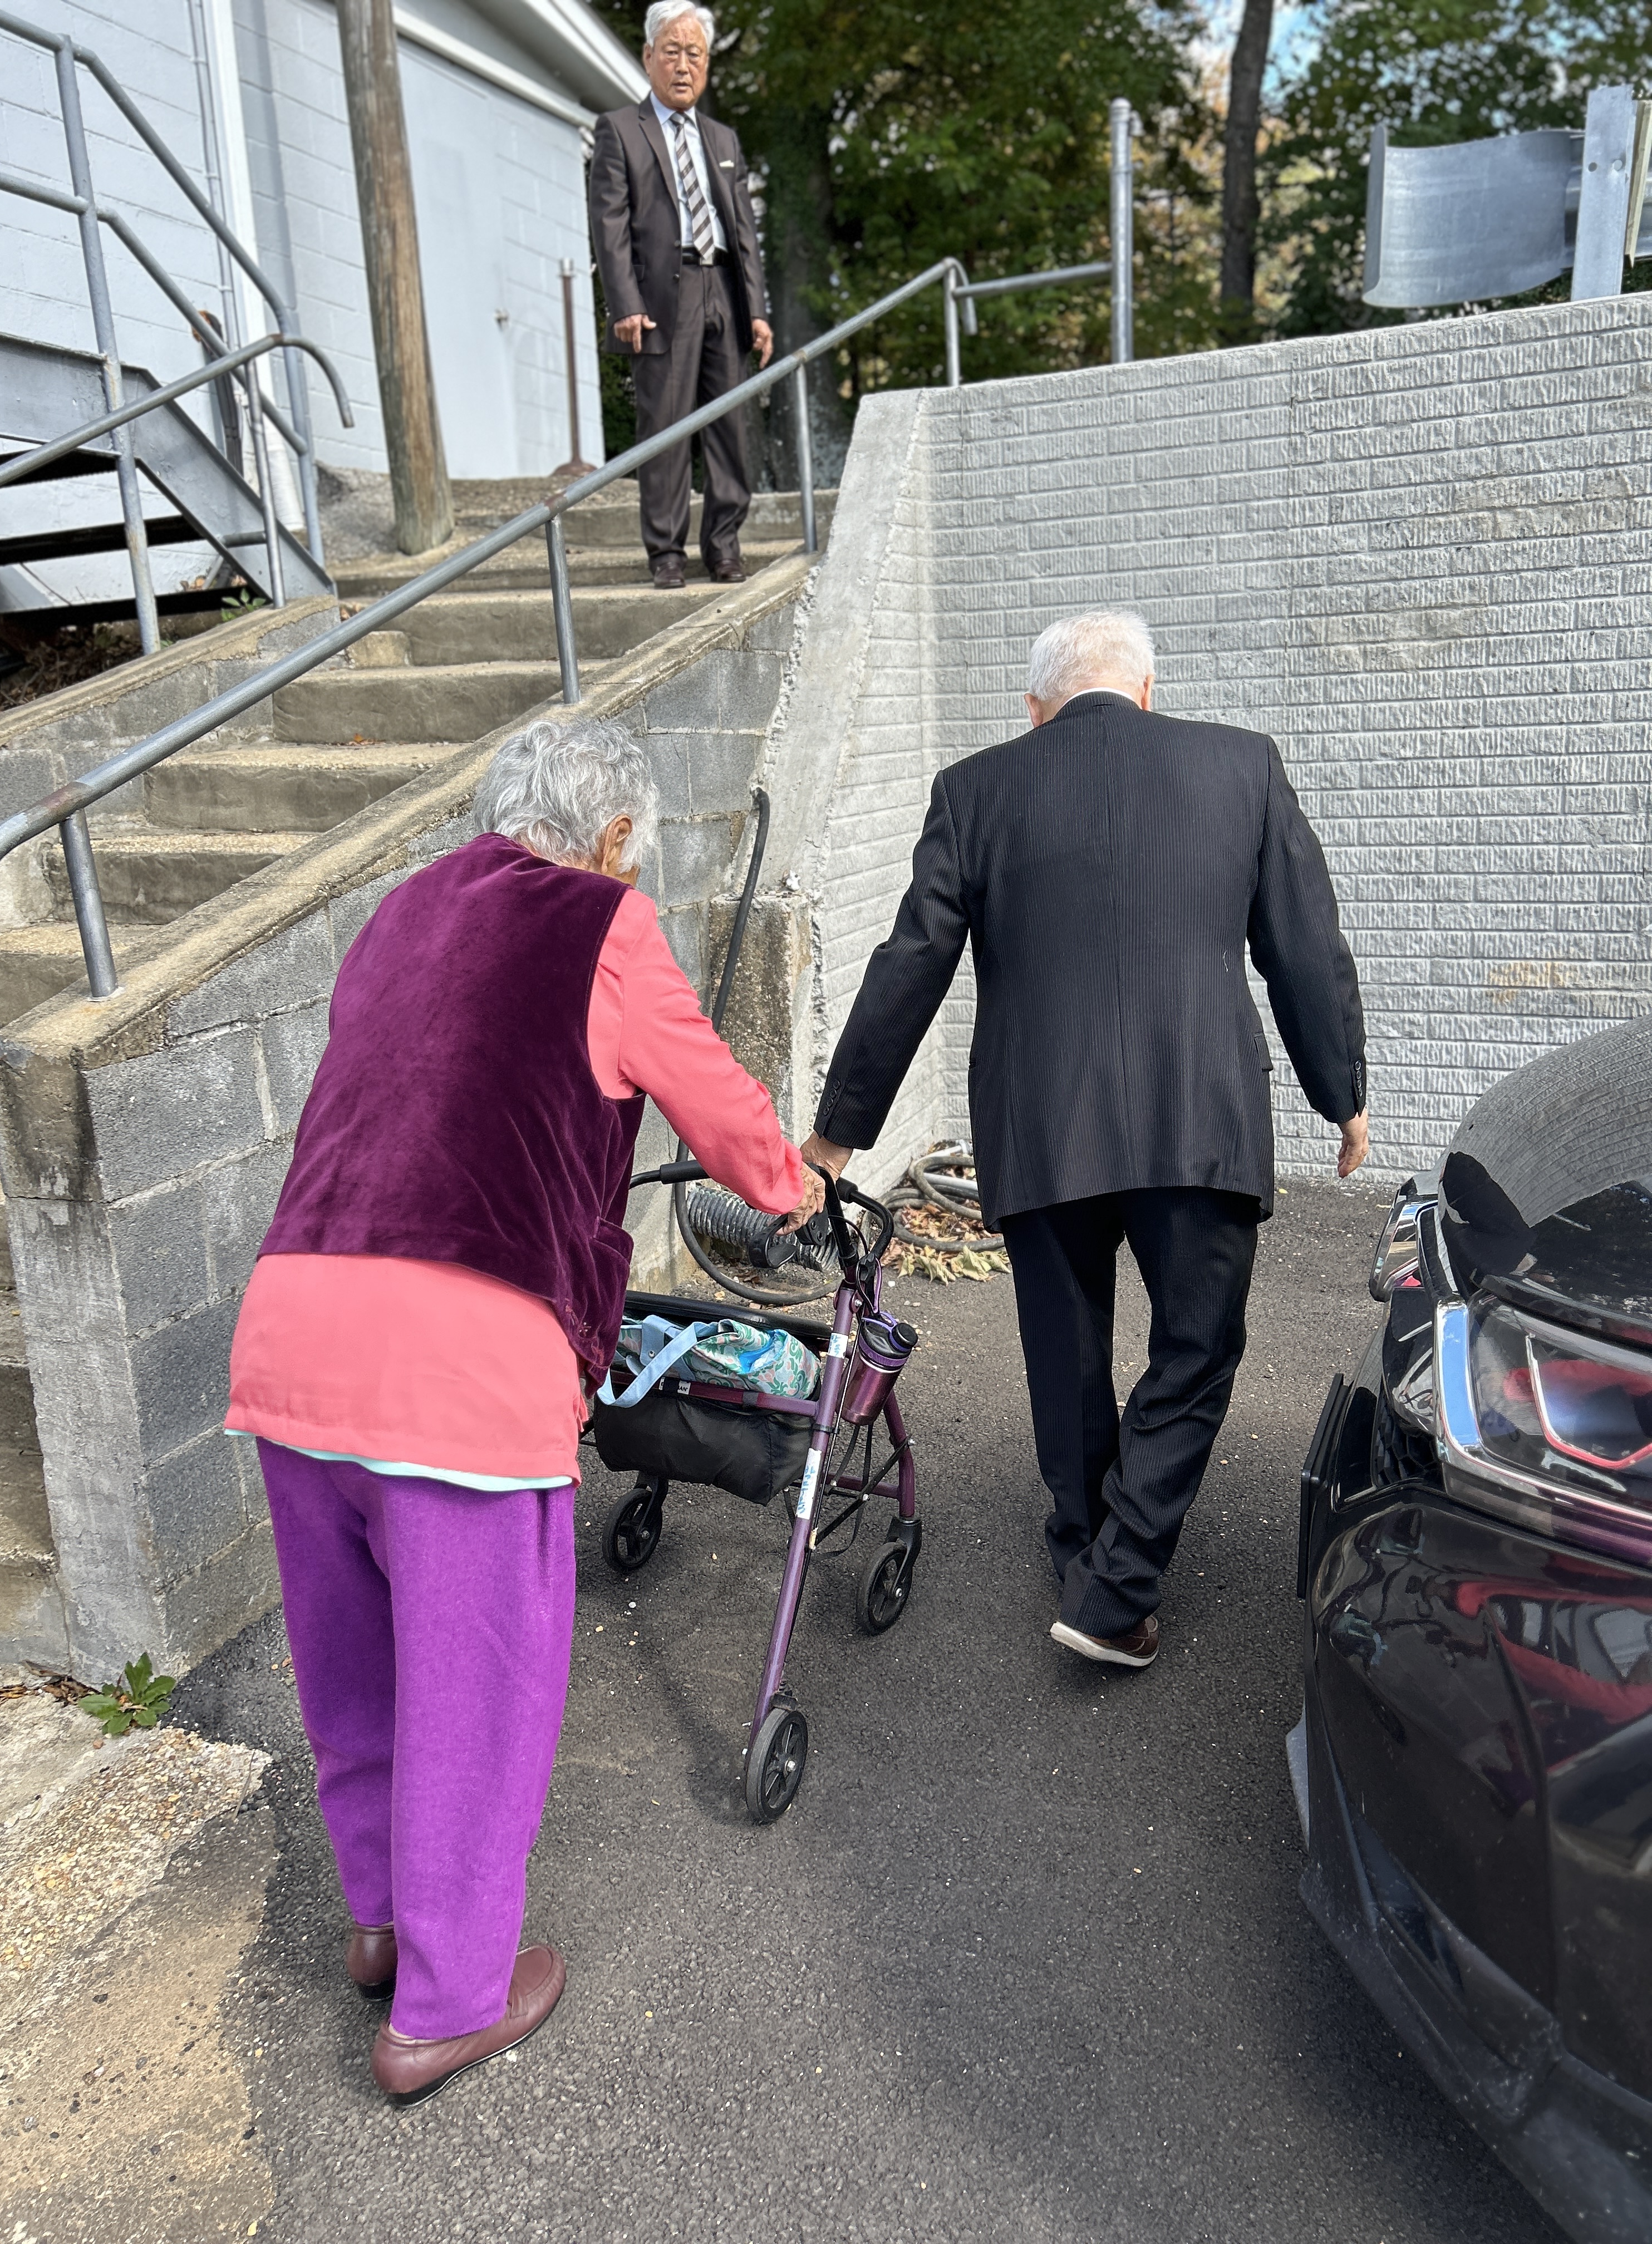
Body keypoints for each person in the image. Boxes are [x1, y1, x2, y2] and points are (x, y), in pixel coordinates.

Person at [225, 717, 819, 2105]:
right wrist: (795, 1187)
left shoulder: (398, 914)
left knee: (353, 1667)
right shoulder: (602, 922)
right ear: (611, 839)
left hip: (295, 1330)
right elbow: (729, 1123)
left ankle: (382, 1925)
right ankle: (446, 2006)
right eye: (635, 854)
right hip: (462, 1358)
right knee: (475, 1695)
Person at [802, 611, 1368, 1673]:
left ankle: (1085, 1553)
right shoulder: (1239, 767)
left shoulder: (973, 791)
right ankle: (1115, 1588)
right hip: (1196, 1118)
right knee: (1194, 1350)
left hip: (1042, 1125)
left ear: (1033, 708)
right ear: (1146, 690)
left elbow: (908, 960)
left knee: (1064, 1354)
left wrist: (838, 1132)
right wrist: (1339, 1094)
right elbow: (1303, 946)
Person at [588, 4, 771, 590]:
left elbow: (744, 231)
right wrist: (625, 303)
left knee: (730, 427)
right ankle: (666, 552)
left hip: (725, 290)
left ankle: (724, 546)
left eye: (695, 54)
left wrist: (758, 311)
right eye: (672, 52)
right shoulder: (621, 129)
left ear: (707, 64)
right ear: (649, 58)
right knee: (665, 428)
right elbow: (609, 224)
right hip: (662, 298)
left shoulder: (723, 139)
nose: (684, 65)